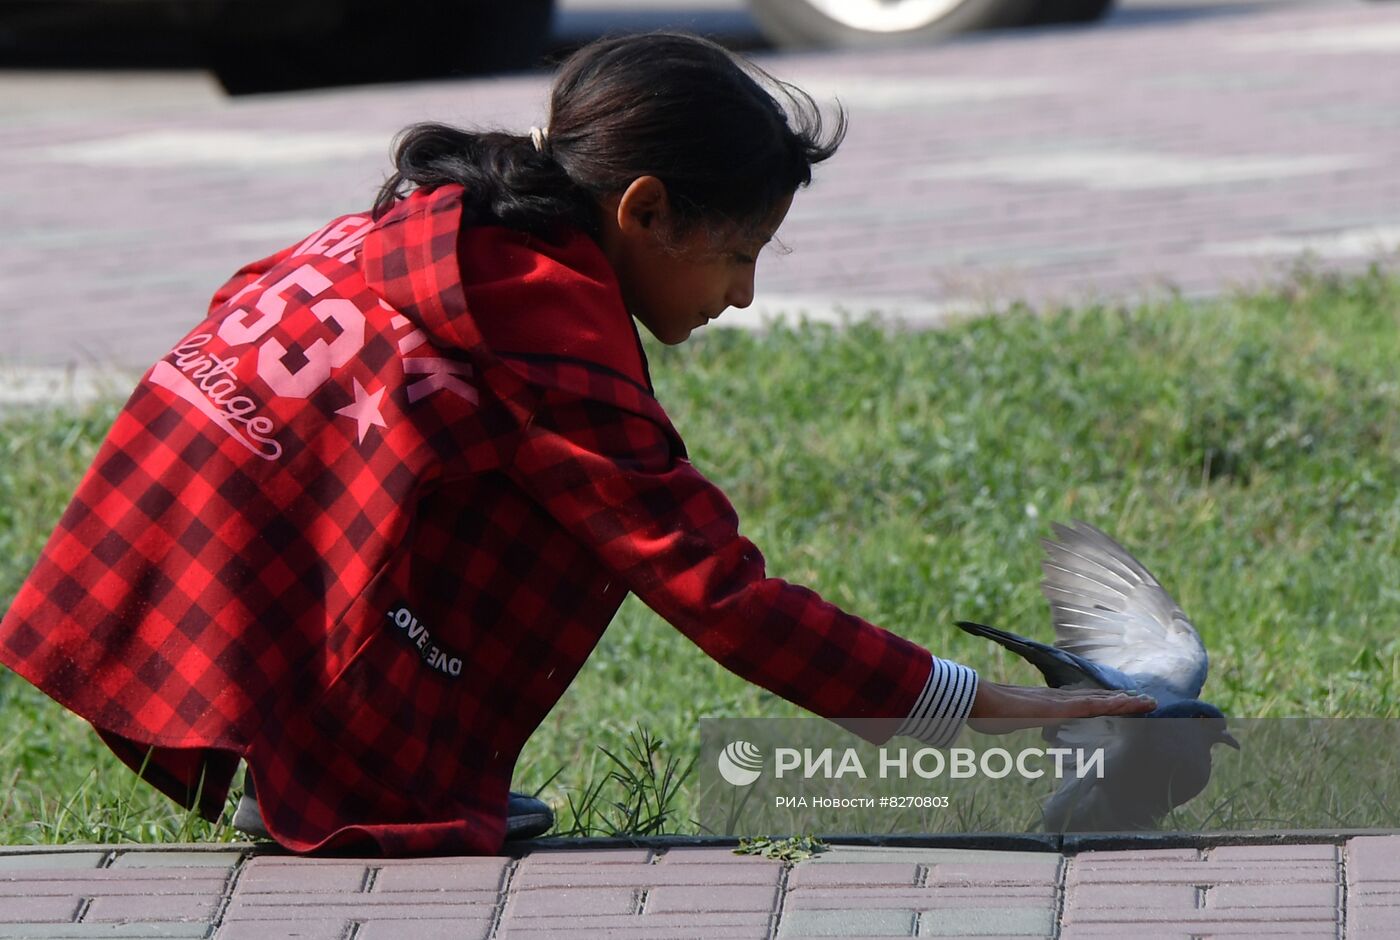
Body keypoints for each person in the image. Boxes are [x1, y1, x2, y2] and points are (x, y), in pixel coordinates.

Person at [0, 32, 1153, 857]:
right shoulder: (549, 342)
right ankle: (363, 780)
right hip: (218, 577)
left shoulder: (436, 225)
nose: (744, 296)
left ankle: (334, 752)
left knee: (489, 468)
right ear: (643, 209)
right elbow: (720, 597)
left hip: (140, 545)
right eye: (739, 250)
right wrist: (979, 707)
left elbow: (235, 302)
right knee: (580, 523)